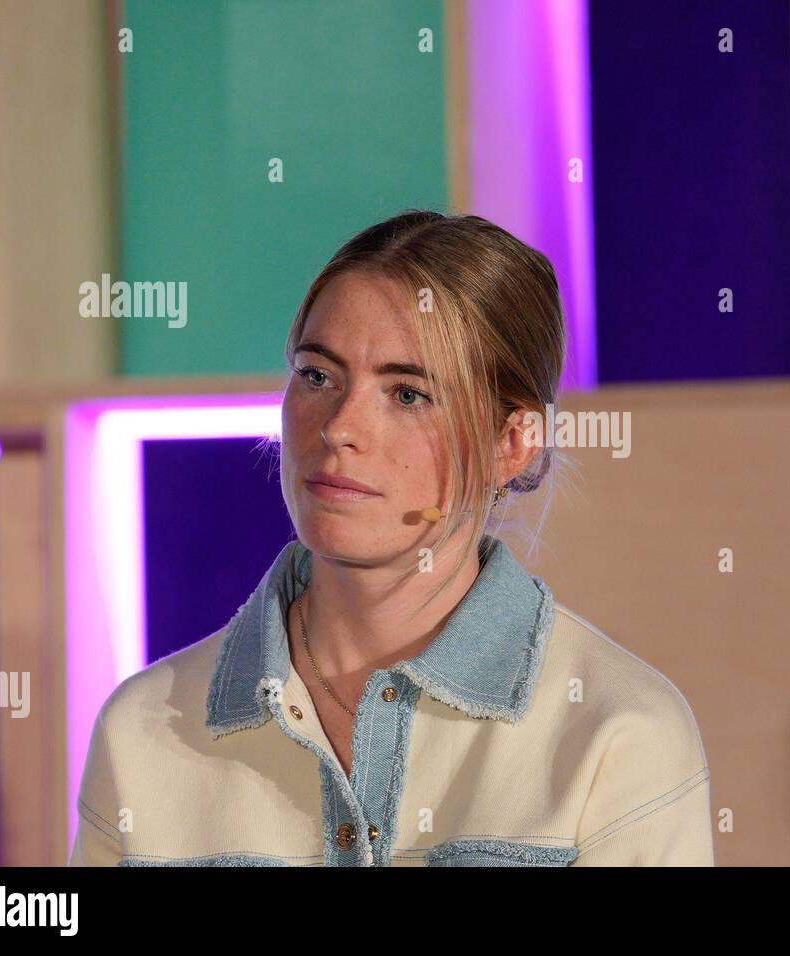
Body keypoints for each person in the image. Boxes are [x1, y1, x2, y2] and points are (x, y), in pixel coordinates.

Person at [69, 210, 713, 866]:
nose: (341, 427)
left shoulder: (617, 735)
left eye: (407, 395)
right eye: (318, 375)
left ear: (512, 443)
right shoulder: (143, 731)